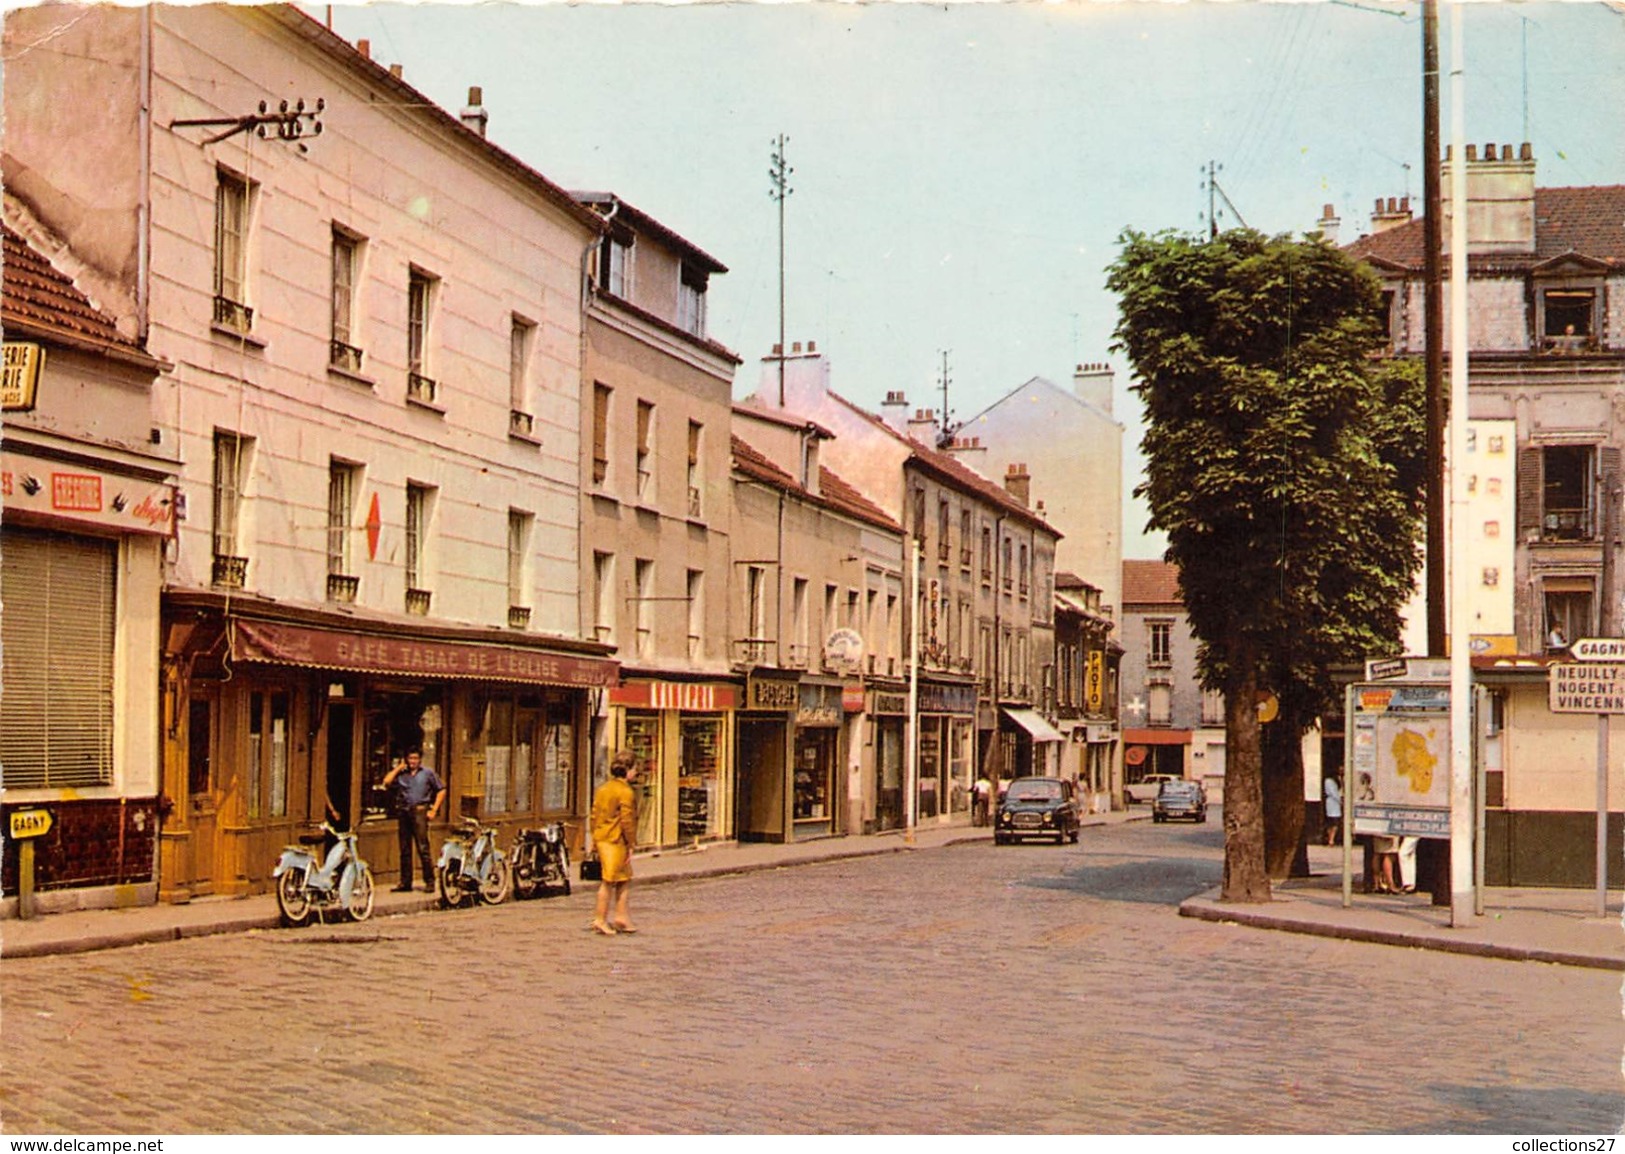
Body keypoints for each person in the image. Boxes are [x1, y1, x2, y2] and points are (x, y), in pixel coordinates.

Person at [590, 750, 639, 936]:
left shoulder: (603, 788)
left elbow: (594, 815)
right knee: (609, 881)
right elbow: (627, 820)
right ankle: (600, 919)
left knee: (623, 879)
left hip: (602, 837)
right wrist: (632, 842)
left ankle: (621, 917)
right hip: (616, 840)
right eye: (634, 769)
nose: (635, 773)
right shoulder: (625, 791)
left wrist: (595, 836)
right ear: (627, 770)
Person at [382, 749, 444, 893]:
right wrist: (398, 767)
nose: (413, 761)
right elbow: (386, 782)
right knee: (405, 849)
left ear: (420, 760)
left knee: (423, 848)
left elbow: (441, 790)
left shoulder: (427, 773)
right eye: (410, 758)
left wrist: (434, 809)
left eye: (415, 758)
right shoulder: (402, 774)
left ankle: (429, 881)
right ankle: (405, 882)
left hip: (420, 811)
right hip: (404, 811)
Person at [1321, 772, 1342, 846]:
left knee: (1332, 823)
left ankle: (1330, 838)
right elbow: (1334, 793)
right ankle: (1331, 839)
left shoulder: (1332, 781)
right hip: (1333, 803)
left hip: (1333, 804)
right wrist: (1340, 800)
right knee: (1334, 823)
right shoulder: (1329, 781)